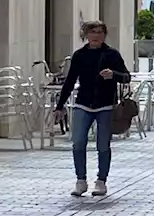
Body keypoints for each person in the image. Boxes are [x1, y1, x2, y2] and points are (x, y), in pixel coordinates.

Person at [54, 20, 131, 198]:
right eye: (92, 32)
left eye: (99, 32)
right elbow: (70, 81)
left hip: (105, 105)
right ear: (86, 35)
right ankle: (80, 180)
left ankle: (101, 181)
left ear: (104, 35)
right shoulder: (80, 55)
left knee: (103, 145)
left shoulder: (112, 54)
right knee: (78, 142)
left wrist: (114, 75)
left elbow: (126, 77)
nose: (96, 35)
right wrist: (60, 106)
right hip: (83, 103)